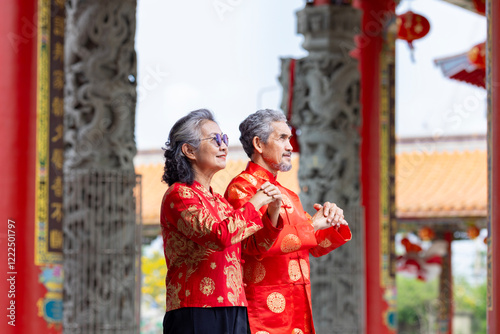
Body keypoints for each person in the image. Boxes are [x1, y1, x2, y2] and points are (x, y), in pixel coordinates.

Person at [224, 109, 352, 334]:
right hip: (262, 313)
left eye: (289, 138)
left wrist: (331, 221)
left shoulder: (289, 195)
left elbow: (311, 246)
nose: (290, 146)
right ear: (258, 144)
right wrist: (313, 226)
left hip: (297, 308)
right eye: (282, 138)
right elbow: (261, 244)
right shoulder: (242, 188)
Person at [160, 109, 284, 334]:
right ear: (189, 150)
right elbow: (219, 236)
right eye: (215, 139)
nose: (224, 145)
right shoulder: (179, 195)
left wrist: (273, 211)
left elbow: (254, 247)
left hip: (235, 305)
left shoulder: (220, 202)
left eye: (224, 139)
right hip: (194, 308)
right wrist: (255, 203)